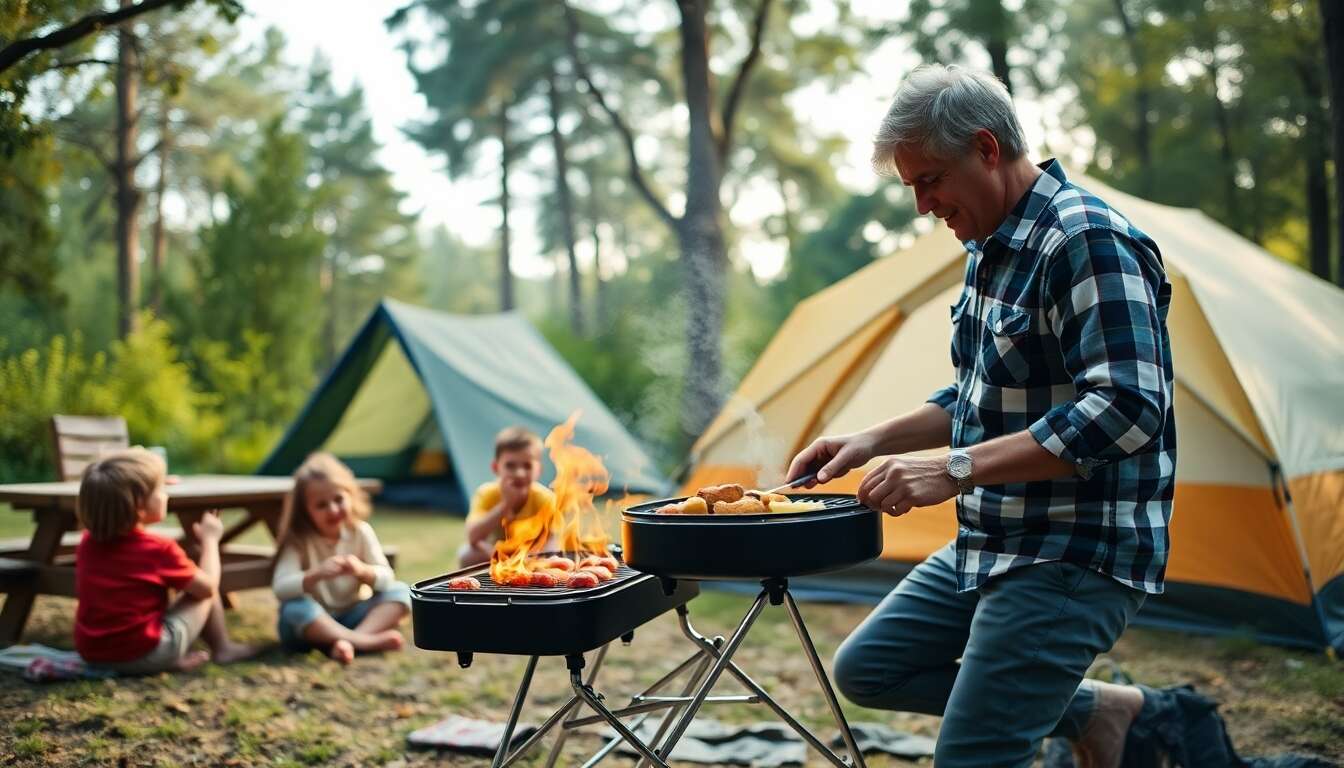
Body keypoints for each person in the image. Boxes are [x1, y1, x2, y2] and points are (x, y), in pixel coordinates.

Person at [786, 64, 1175, 768]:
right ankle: (1096, 709)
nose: (921, 204)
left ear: (987, 149)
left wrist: (954, 469)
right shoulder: (989, 246)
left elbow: (1129, 407)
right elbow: (975, 394)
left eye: (929, 179)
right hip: (997, 535)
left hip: (1072, 547)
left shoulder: (1085, 239)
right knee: (868, 669)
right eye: (911, 186)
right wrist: (870, 440)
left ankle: (1067, 714)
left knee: (970, 759)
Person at [74, 448, 258, 674]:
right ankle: (223, 649)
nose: (166, 494)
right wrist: (210, 541)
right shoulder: (158, 549)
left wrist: (151, 484)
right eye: (160, 489)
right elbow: (208, 587)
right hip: (142, 655)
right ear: (139, 505)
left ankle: (167, 659)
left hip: (93, 654)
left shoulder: (87, 543)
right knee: (199, 586)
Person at [272, 453, 410, 664]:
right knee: (294, 608)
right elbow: (281, 588)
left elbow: (386, 578)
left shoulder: (360, 532)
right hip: (310, 626)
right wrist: (314, 575)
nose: (333, 510)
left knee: (402, 592)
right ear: (305, 511)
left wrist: (362, 571)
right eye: (321, 505)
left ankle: (346, 643)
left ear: (351, 496)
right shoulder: (298, 541)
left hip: (353, 617)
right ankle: (364, 642)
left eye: (338, 499)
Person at [457, 427, 557, 567]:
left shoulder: (545, 498)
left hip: (531, 556)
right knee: (467, 554)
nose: (519, 473)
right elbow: (473, 537)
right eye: (510, 466)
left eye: (527, 466)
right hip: (494, 556)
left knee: (555, 553)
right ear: (496, 468)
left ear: (538, 470)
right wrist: (506, 504)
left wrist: (535, 558)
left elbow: (551, 540)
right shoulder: (487, 493)